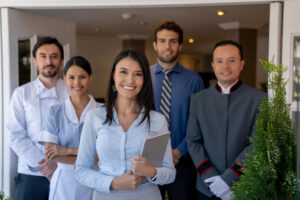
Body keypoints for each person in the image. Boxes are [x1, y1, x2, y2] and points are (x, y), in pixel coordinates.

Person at [74, 49, 176, 200]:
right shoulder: (95, 117)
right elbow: (81, 170)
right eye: (123, 72)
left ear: (144, 80)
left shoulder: (157, 120)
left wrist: (150, 171)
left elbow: (170, 173)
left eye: (138, 74)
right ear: (113, 76)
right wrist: (113, 182)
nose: (130, 80)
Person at [186, 40, 266, 200]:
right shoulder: (198, 100)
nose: (225, 66)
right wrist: (211, 177)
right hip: (206, 186)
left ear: (242, 64)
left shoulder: (259, 99)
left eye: (231, 60)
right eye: (220, 61)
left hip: (244, 186)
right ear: (213, 65)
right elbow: (193, 142)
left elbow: (257, 144)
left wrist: (229, 178)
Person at [7, 37, 69, 200]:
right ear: (35, 61)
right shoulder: (21, 93)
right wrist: (43, 164)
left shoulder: (72, 93)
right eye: (43, 56)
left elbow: (79, 135)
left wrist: (58, 162)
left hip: (66, 172)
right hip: (31, 173)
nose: (49, 61)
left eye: (54, 56)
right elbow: (15, 135)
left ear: (61, 61)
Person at [150, 20, 204, 200]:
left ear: (180, 46)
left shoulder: (194, 80)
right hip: (149, 159)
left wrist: (177, 152)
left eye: (173, 41)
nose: (168, 46)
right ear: (155, 45)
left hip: (182, 160)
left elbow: (198, 123)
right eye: (163, 41)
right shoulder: (142, 77)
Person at [39, 56, 100, 200]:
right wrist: (88, 155)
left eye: (82, 77)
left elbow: (100, 156)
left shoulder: (103, 112)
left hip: (95, 180)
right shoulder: (54, 112)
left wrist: (65, 151)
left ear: (90, 77)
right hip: (64, 184)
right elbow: (51, 154)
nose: (77, 82)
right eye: (71, 77)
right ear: (64, 78)